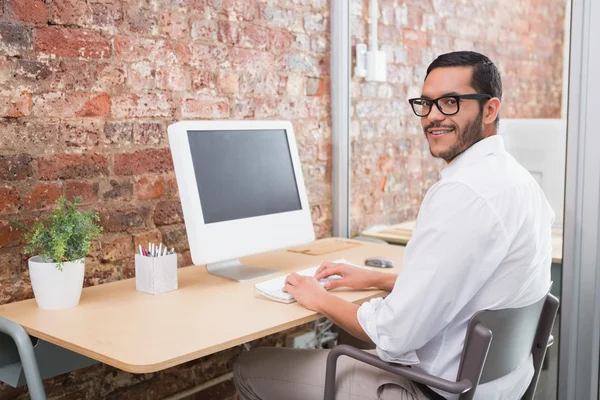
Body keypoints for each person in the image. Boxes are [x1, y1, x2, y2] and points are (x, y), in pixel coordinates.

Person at [233, 51, 554, 400]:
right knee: (348, 337)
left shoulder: (463, 194)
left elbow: (394, 335)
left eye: (450, 102)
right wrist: (378, 278)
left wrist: (320, 298)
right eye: (426, 103)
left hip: (433, 391)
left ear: (489, 110)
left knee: (250, 366)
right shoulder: (519, 182)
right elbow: (471, 288)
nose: (433, 116)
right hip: (494, 389)